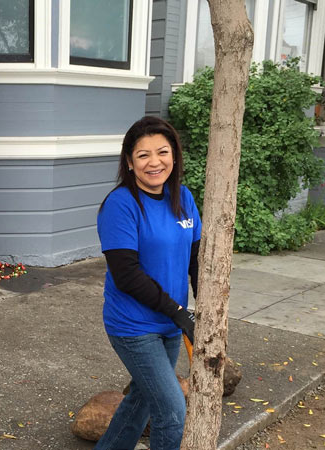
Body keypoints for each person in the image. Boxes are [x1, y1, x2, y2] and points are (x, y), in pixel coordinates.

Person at [95, 116, 201, 450]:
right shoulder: (120, 205)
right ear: (129, 162)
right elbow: (126, 275)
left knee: (141, 400)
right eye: (143, 155)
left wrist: (204, 310)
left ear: (174, 156)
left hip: (171, 323)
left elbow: (198, 260)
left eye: (163, 152)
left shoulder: (183, 197)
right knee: (172, 410)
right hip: (133, 326)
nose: (154, 162)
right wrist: (178, 310)